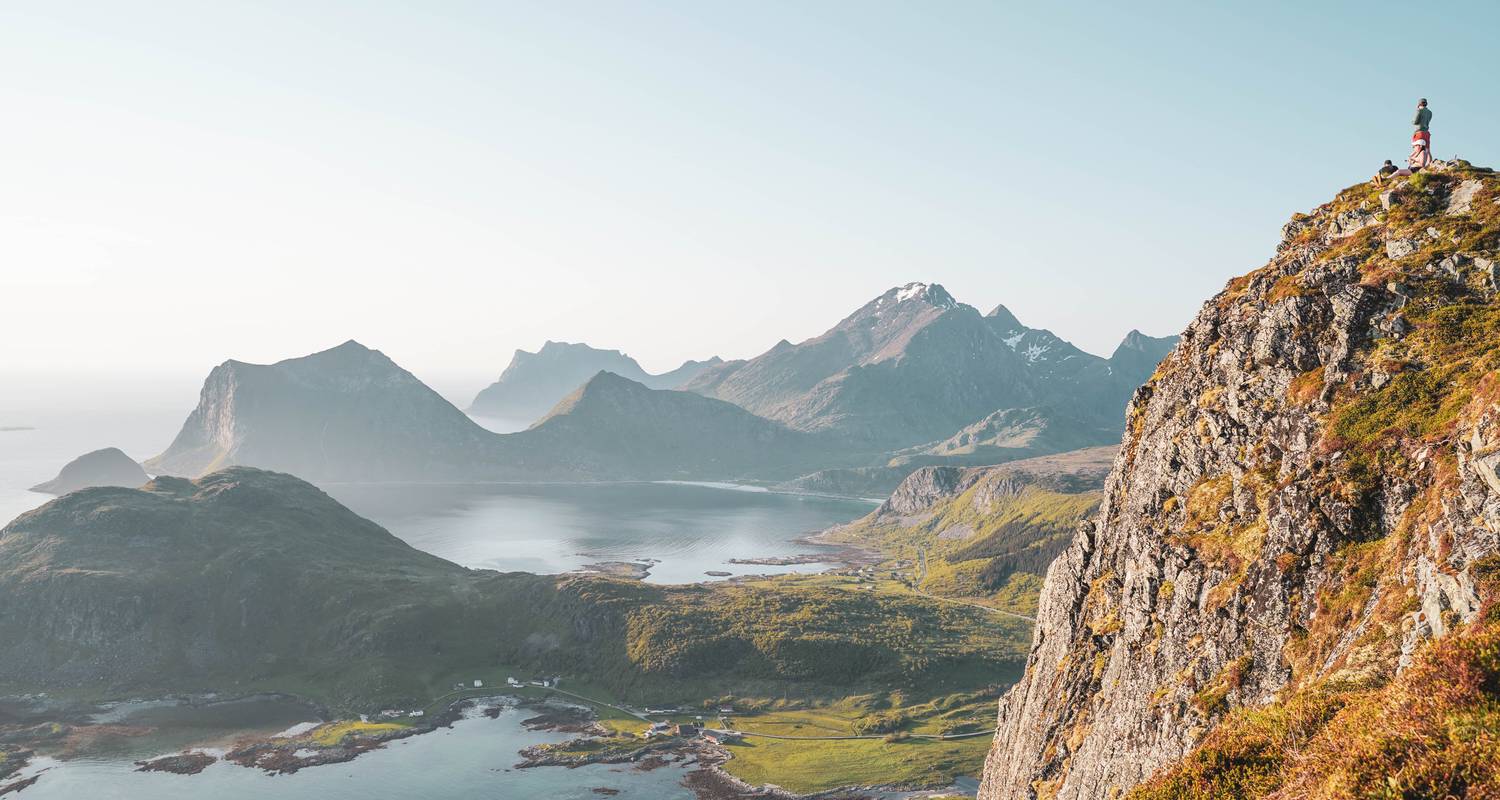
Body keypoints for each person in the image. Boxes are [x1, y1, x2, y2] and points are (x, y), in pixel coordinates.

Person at [1409, 98, 1433, 169]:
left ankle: (1414, 164)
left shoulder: (1419, 110)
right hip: (1426, 132)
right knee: (1427, 150)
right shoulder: (1430, 112)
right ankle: (1429, 164)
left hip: (1419, 132)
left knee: (1417, 149)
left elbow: (1415, 121)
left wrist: (1412, 121)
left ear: (1419, 104)